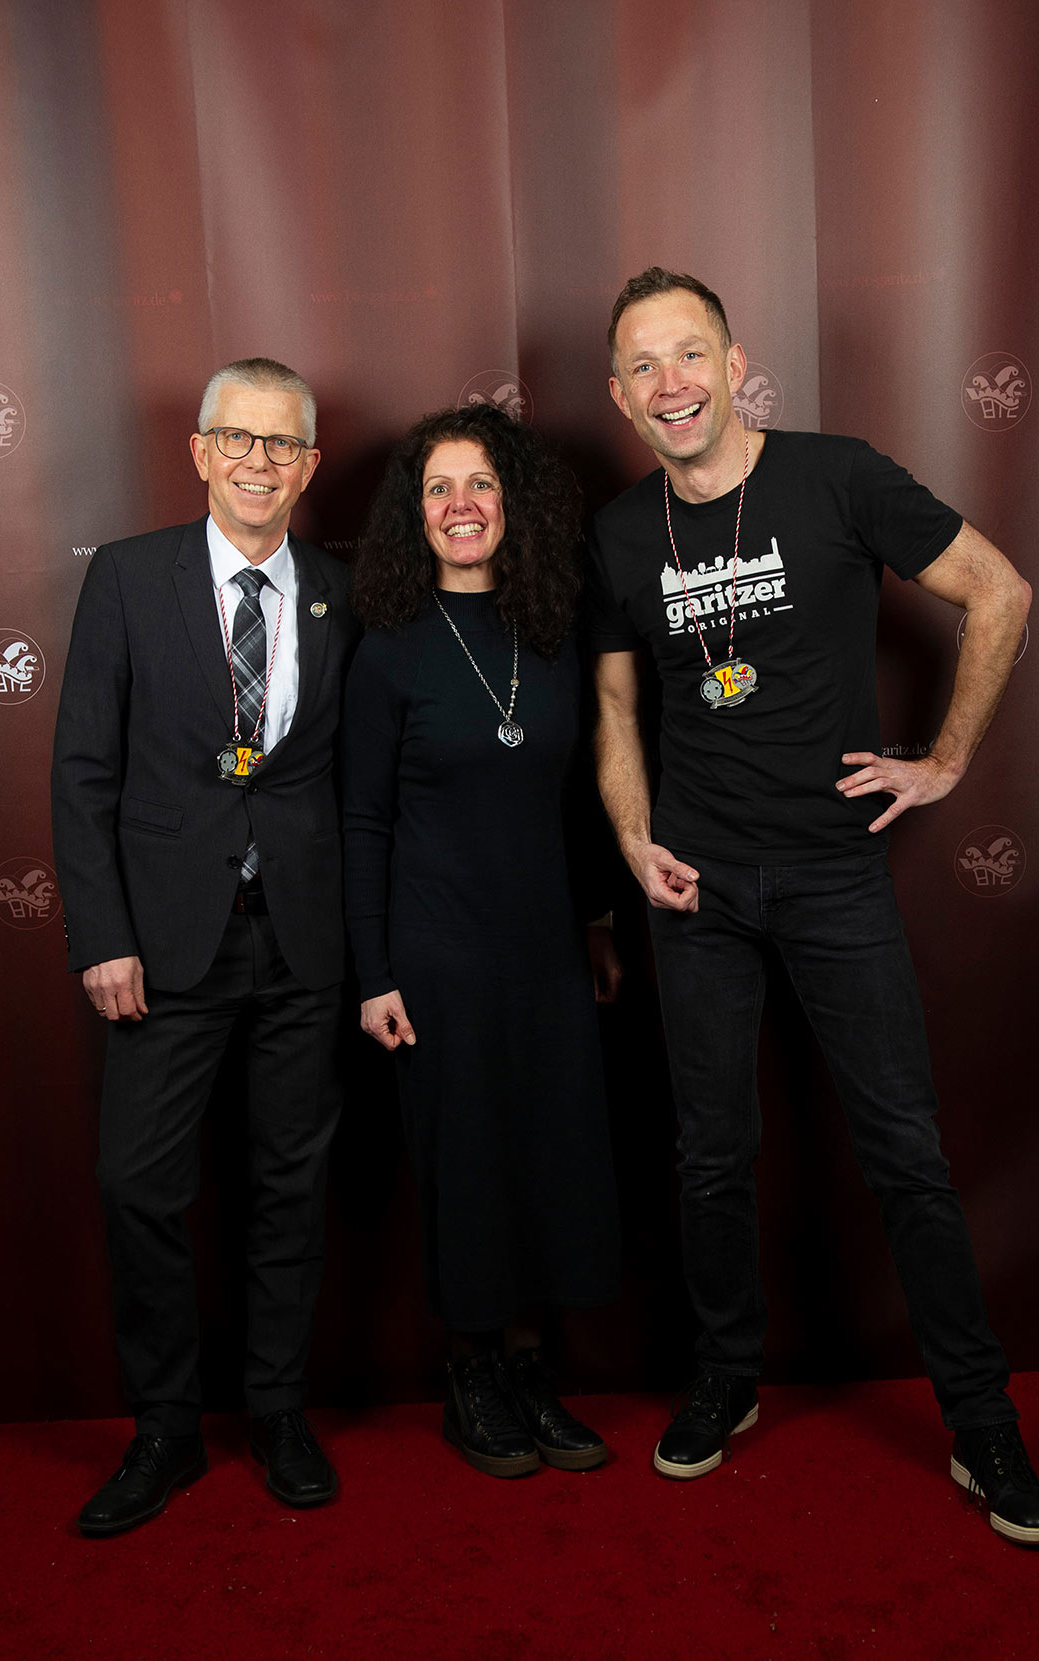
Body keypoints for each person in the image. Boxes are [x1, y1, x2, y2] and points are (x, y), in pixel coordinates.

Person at [587, 267, 1039, 1547]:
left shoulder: (837, 475)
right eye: (644, 366)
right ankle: (726, 1376)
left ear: (736, 363)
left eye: (691, 354)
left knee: (905, 1152)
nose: (672, 383)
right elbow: (619, 705)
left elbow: (1003, 590)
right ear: (619, 396)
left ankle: (982, 1423)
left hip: (833, 875)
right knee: (709, 1154)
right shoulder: (621, 533)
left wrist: (945, 759)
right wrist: (633, 839)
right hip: (697, 888)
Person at [52, 358, 356, 1536]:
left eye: (281, 444)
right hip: (165, 946)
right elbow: (84, 769)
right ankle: (166, 1426)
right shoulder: (130, 578)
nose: (257, 462)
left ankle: (277, 1409)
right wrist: (103, 934)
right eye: (238, 438)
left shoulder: (341, 592)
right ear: (199, 451)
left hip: (302, 941)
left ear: (310, 465)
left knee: (292, 1186)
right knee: (136, 1182)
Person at [343, 404, 621, 1478]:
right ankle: (471, 1374)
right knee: (467, 1166)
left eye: (481, 485)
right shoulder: (388, 651)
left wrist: (596, 919)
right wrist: (374, 973)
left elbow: (578, 801)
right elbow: (362, 821)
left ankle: (532, 1372)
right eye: (438, 489)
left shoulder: (550, 633)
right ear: (414, 516)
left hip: (545, 949)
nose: (461, 506)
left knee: (552, 1154)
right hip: (435, 956)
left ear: (513, 504)